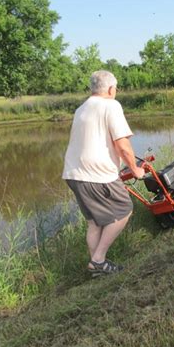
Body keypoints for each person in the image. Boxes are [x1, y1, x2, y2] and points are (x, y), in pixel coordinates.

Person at [62, 70, 145, 274]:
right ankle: (98, 260)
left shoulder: (81, 108)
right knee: (124, 210)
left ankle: (97, 265)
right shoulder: (111, 105)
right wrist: (135, 170)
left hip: (73, 174)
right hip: (97, 175)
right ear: (110, 88)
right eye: (116, 88)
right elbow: (122, 145)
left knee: (95, 222)